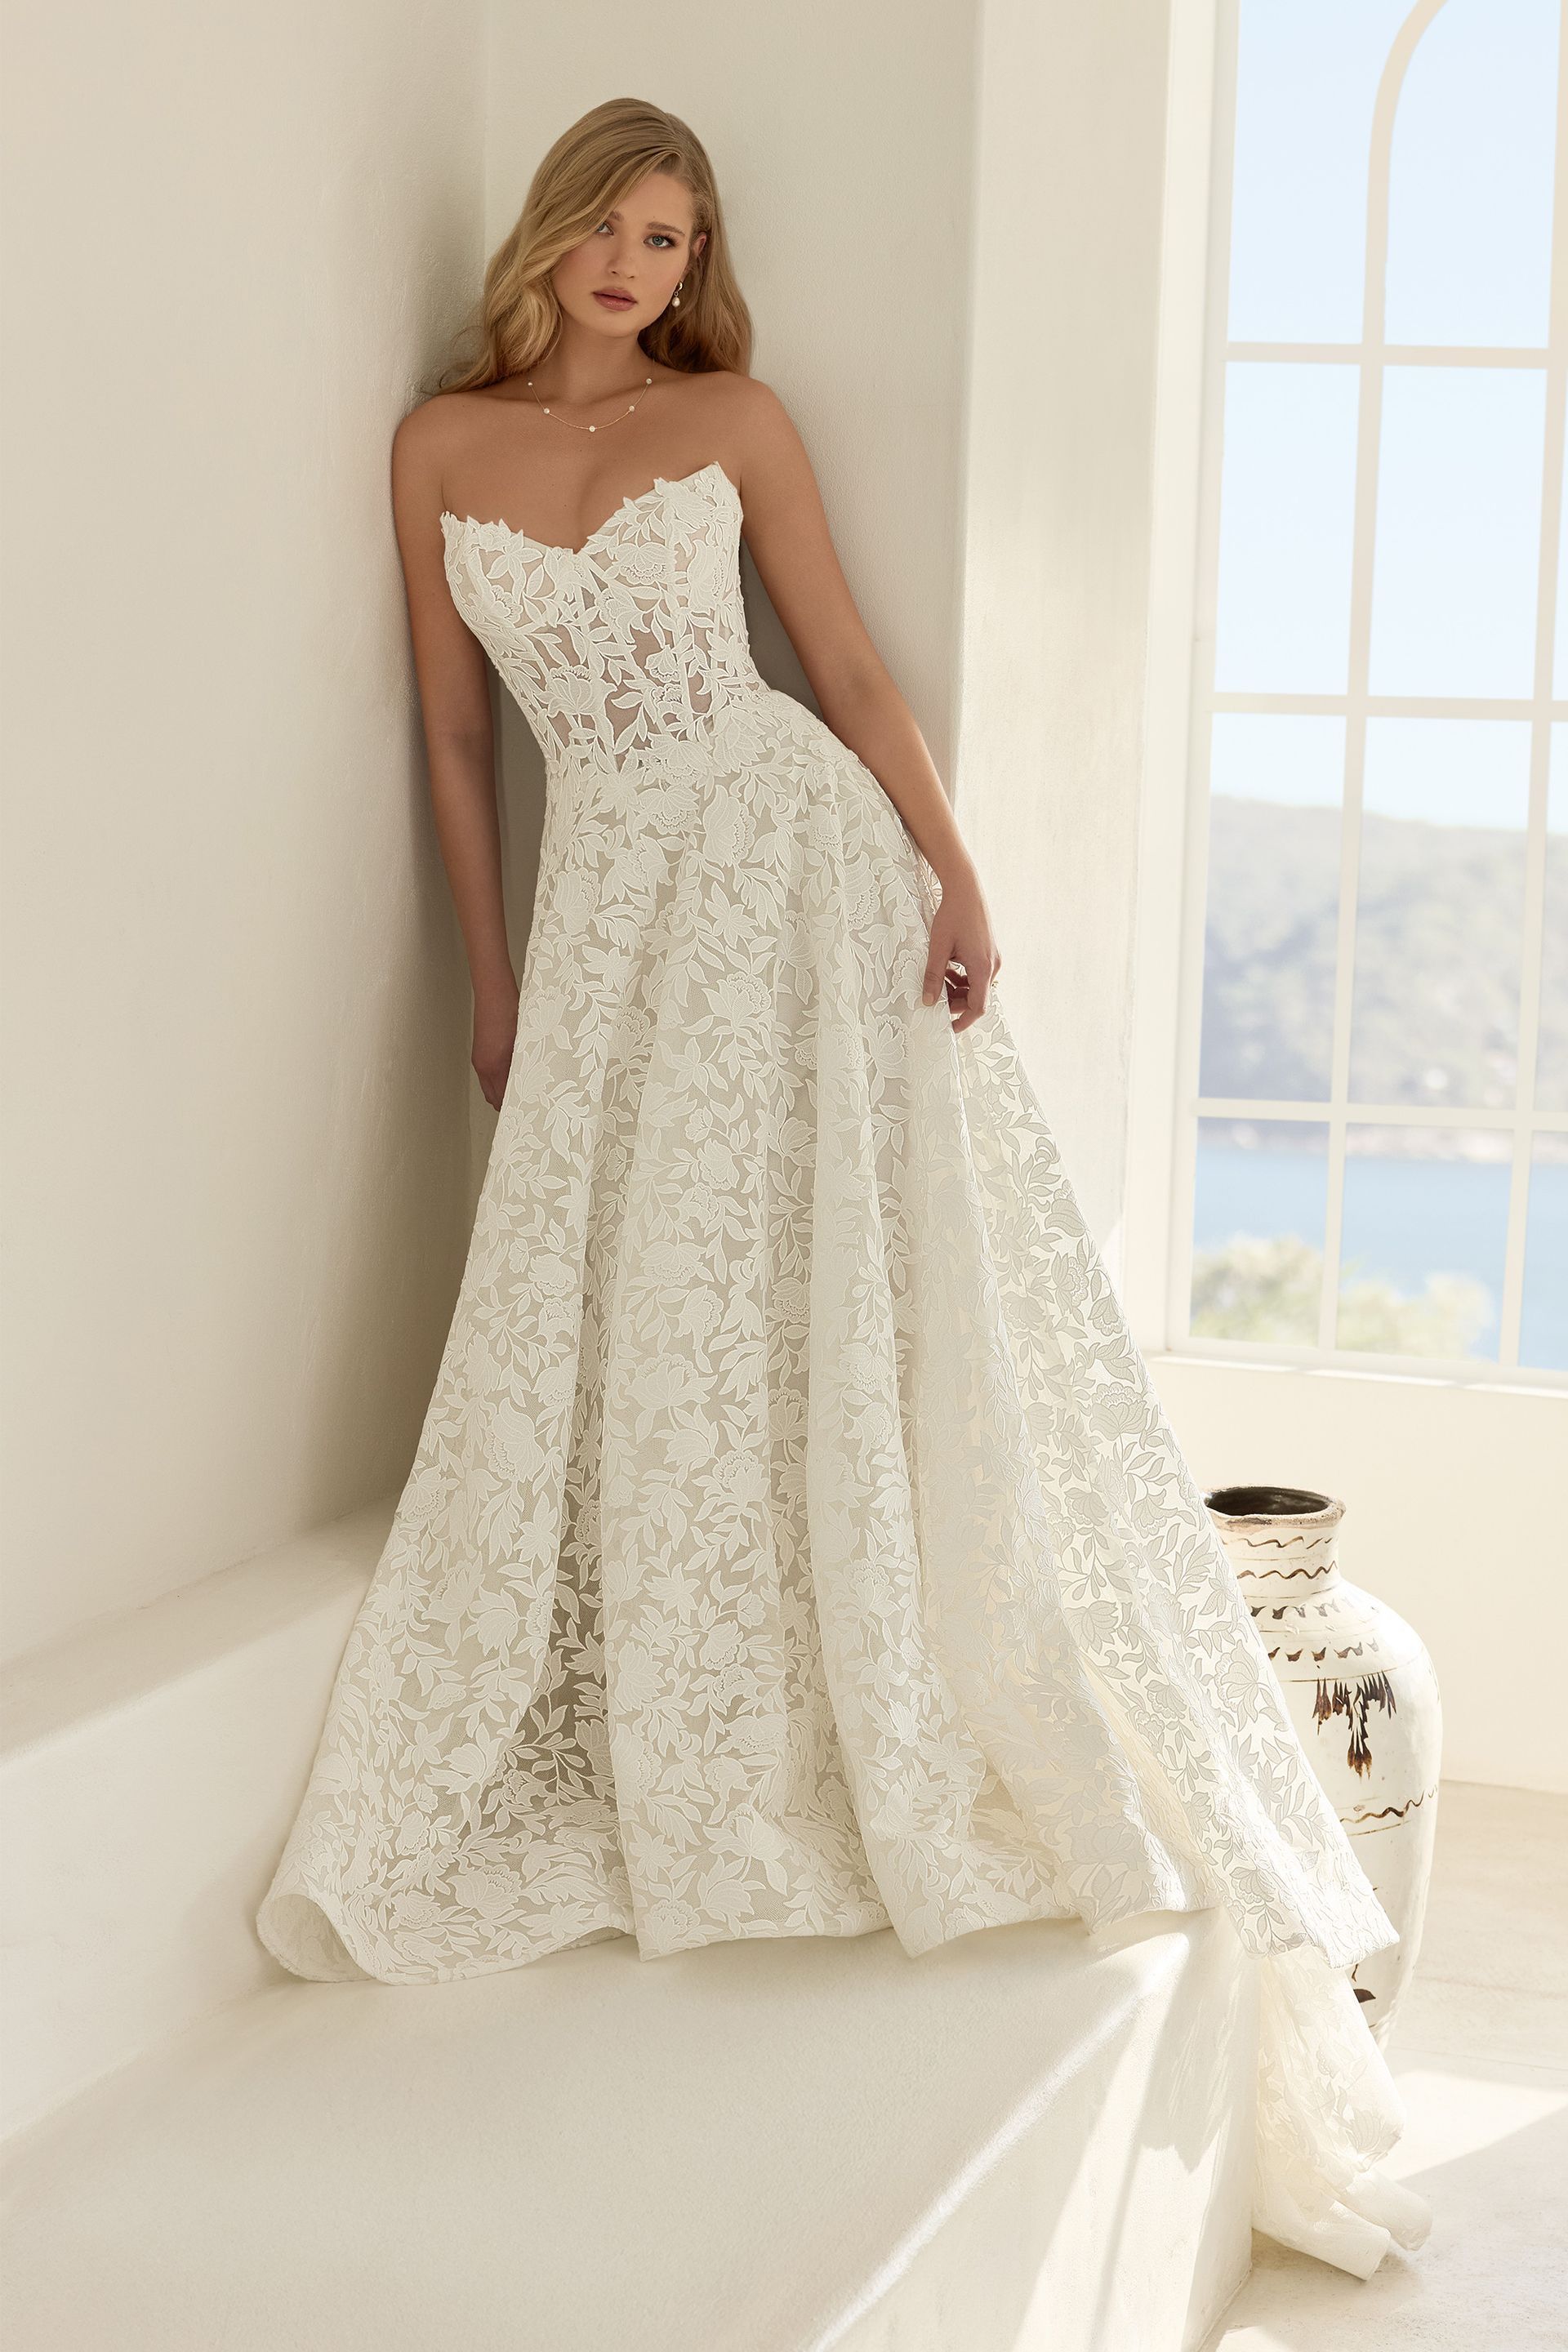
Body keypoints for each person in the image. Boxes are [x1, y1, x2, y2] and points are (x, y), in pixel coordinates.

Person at [256, 96, 1431, 2281]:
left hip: (797, 865)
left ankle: (882, 1651)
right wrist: (493, 987)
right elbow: (447, 744)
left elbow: (849, 666)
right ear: (556, 235)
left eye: (674, 234)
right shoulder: (437, 449)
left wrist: (956, 872)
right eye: (613, 224)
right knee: (650, 1311)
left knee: (853, 1283)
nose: (638, 262)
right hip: (611, 907)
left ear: (700, 263)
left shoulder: (741, 416)